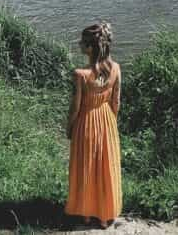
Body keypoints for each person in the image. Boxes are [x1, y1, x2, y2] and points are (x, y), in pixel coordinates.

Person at [65, 21, 122, 229]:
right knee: (105, 166)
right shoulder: (116, 69)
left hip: (86, 122)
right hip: (107, 119)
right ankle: (105, 215)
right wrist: (111, 123)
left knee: (87, 166)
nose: (80, 44)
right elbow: (116, 101)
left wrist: (69, 127)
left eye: (83, 42)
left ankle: (87, 214)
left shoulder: (81, 75)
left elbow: (76, 107)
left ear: (90, 47)